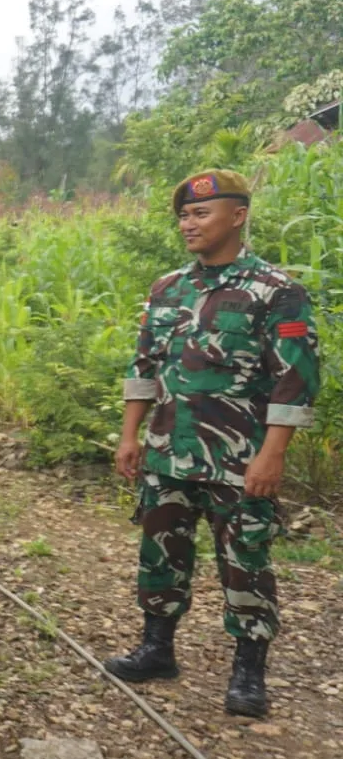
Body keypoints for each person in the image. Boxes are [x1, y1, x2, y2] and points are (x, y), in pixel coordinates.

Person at [106, 170, 319, 718]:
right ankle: (157, 648)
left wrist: (272, 455)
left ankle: (249, 670)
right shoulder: (168, 288)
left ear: (238, 216)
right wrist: (130, 434)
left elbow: (294, 379)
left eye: (201, 213)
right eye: (183, 215)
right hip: (167, 450)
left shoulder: (276, 291)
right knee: (160, 553)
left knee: (245, 560)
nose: (189, 223)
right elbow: (144, 366)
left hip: (238, 459)